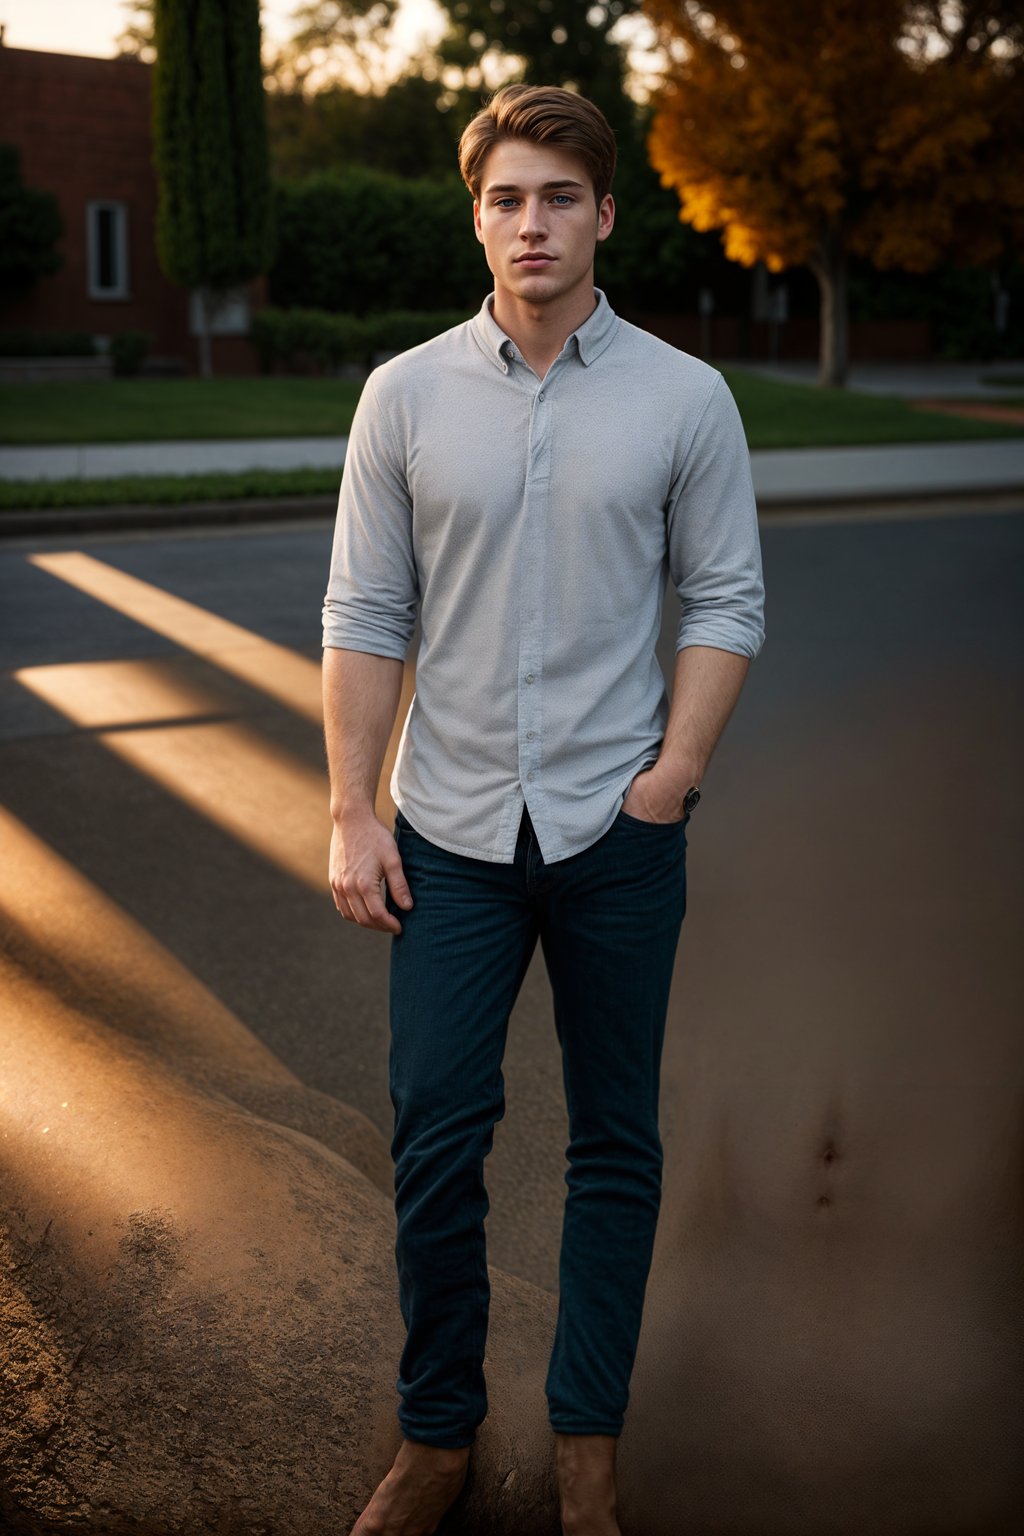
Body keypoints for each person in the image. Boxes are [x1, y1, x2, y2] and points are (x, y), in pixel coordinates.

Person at [322, 82, 765, 1536]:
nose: (533, 222)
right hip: (446, 833)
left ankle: (589, 1451)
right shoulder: (402, 396)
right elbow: (366, 612)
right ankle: (438, 1438)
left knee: (613, 1143)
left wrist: (670, 781)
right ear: (478, 215)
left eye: (559, 197)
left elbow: (725, 601)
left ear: (604, 217)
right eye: (508, 197)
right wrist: (352, 810)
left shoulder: (686, 398)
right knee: (437, 1132)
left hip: (617, 834)